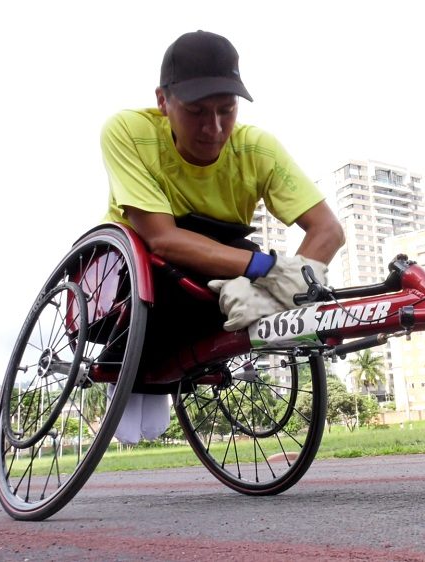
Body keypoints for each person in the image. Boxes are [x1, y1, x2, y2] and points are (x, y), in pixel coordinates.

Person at [99, 30, 344, 444]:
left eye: (226, 110)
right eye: (196, 111)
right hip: (141, 270)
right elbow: (163, 240)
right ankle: (132, 364)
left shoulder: (257, 149)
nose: (213, 128)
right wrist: (266, 269)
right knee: (167, 265)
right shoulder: (126, 131)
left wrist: (281, 295)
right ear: (163, 101)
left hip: (222, 261)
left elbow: (328, 231)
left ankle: (186, 347)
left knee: (260, 271)